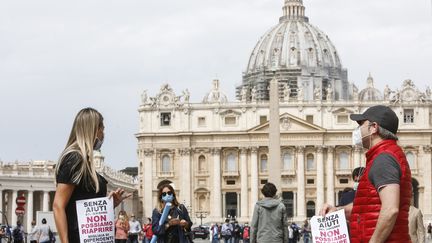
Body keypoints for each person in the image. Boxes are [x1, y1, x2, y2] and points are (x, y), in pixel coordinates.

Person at [320, 105, 412, 242]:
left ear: (373, 127)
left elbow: (390, 209)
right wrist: (338, 210)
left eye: (361, 124)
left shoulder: (384, 159)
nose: (358, 130)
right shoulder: (381, 156)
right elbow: (366, 207)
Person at [53, 107, 131, 243]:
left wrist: (107, 205)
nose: (103, 134)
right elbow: (58, 205)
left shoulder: (83, 160)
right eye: (102, 129)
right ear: (93, 130)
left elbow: (82, 207)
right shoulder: (74, 159)